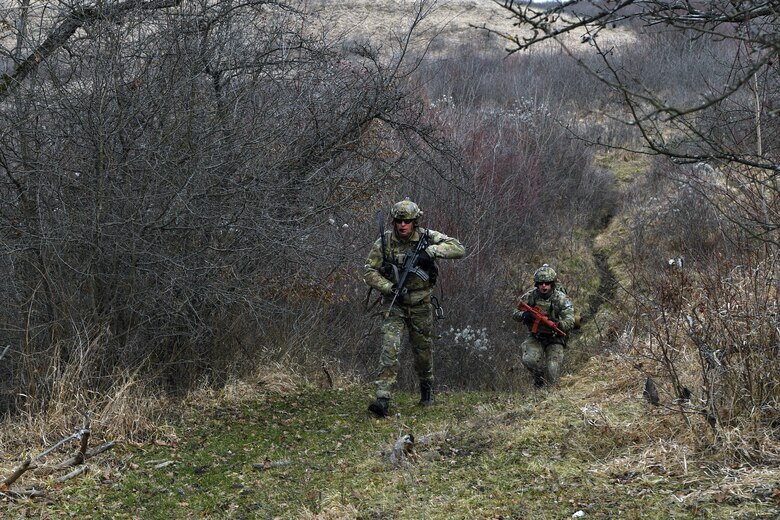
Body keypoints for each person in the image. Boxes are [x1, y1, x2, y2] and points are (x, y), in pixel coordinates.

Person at [363, 199, 465, 417]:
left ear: (414, 221)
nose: (403, 225)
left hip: (421, 305)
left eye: (407, 221)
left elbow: (458, 249)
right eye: (399, 221)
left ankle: (427, 388)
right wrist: (389, 287)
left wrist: (431, 252)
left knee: (422, 352)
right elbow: (369, 271)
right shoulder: (384, 242)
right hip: (395, 303)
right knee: (389, 348)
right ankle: (383, 398)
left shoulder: (427, 237)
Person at [512, 264, 575, 389]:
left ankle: (551, 395)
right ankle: (539, 379)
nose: (544, 286)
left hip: (555, 338)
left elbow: (570, 320)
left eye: (547, 283)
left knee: (552, 369)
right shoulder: (530, 296)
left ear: (552, 284)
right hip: (536, 336)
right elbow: (515, 312)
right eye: (541, 283)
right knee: (529, 360)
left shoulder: (561, 299)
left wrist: (557, 323)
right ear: (537, 284)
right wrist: (524, 315)